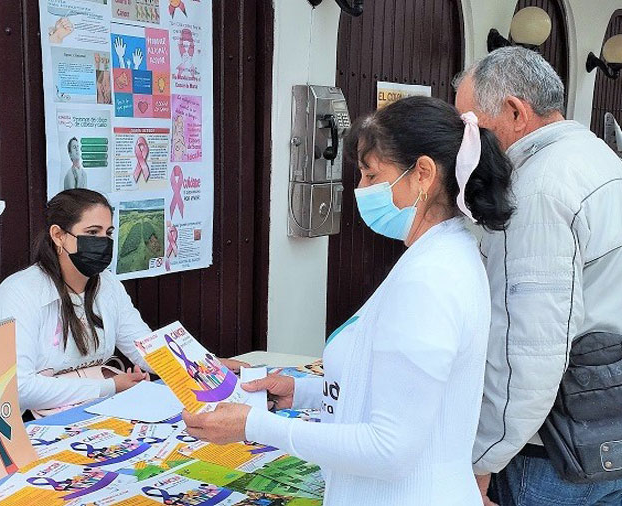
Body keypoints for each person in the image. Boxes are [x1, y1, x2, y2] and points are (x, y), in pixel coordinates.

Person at [182, 95, 515, 505]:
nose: (360, 190)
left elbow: (388, 448)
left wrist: (256, 426)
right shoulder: (439, 256)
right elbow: (398, 393)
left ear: (423, 174)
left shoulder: (432, 278)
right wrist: (302, 392)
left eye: (371, 175)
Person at [454, 46, 622, 506]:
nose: (465, 142)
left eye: (470, 126)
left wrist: (482, 459)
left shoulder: (537, 191)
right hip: (612, 428)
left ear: (514, 112)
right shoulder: (614, 169)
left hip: (547, 452)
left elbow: (530, 353)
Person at [0, 189, 244, 413]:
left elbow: (146, 350)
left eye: (108, 233)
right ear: (58, 235)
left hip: (90, 412)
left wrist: (208, 365)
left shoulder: (107, 285)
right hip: (23, 425)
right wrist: (111, 386)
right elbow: (18, 389)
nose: (103, 242)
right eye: (92, 232)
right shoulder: (20, 293)